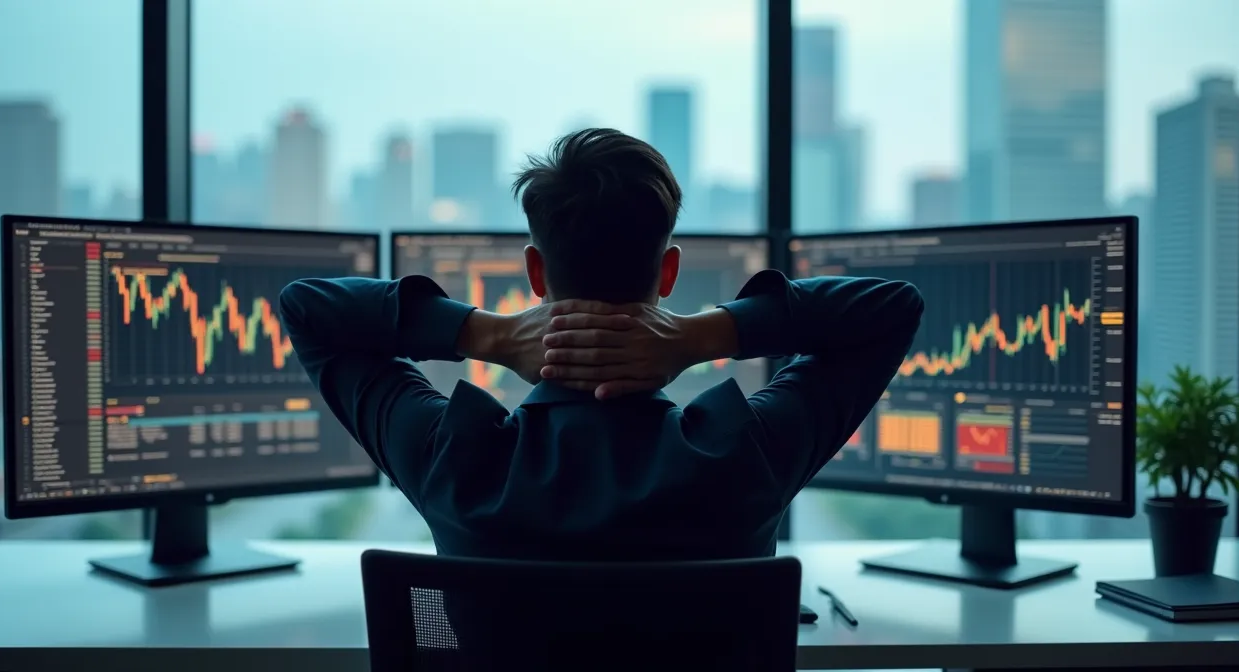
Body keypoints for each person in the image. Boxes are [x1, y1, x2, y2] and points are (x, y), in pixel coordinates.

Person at [279, 128, 923, 561]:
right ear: (668, 274)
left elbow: (307, 308)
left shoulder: (452, 459)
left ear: (535, 273)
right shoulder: (747, 453)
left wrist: (490, 334)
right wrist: (703, 335)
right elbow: (892, 309)